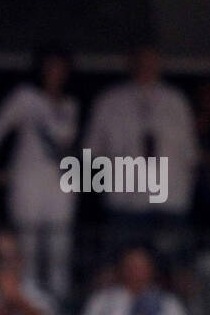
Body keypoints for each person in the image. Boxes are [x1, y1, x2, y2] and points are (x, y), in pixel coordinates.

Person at [0, 45, 80, 298]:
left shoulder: (70, 105)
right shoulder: (24, 97)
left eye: (60, 68)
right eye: (50, 67)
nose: (55, 72)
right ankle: (28, 301)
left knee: (60, 248)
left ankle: (58, 307)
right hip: (27, 181)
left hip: (59, 183)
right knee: (28, 248)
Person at [83, 45, 198, 221]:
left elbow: (190, 152)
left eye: (151, 61)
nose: (146, 66)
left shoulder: (176, 101)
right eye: (141, 60)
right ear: (130, 63)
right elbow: (92, 150)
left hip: (171, 200)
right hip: (125, 202)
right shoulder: (109, 100)